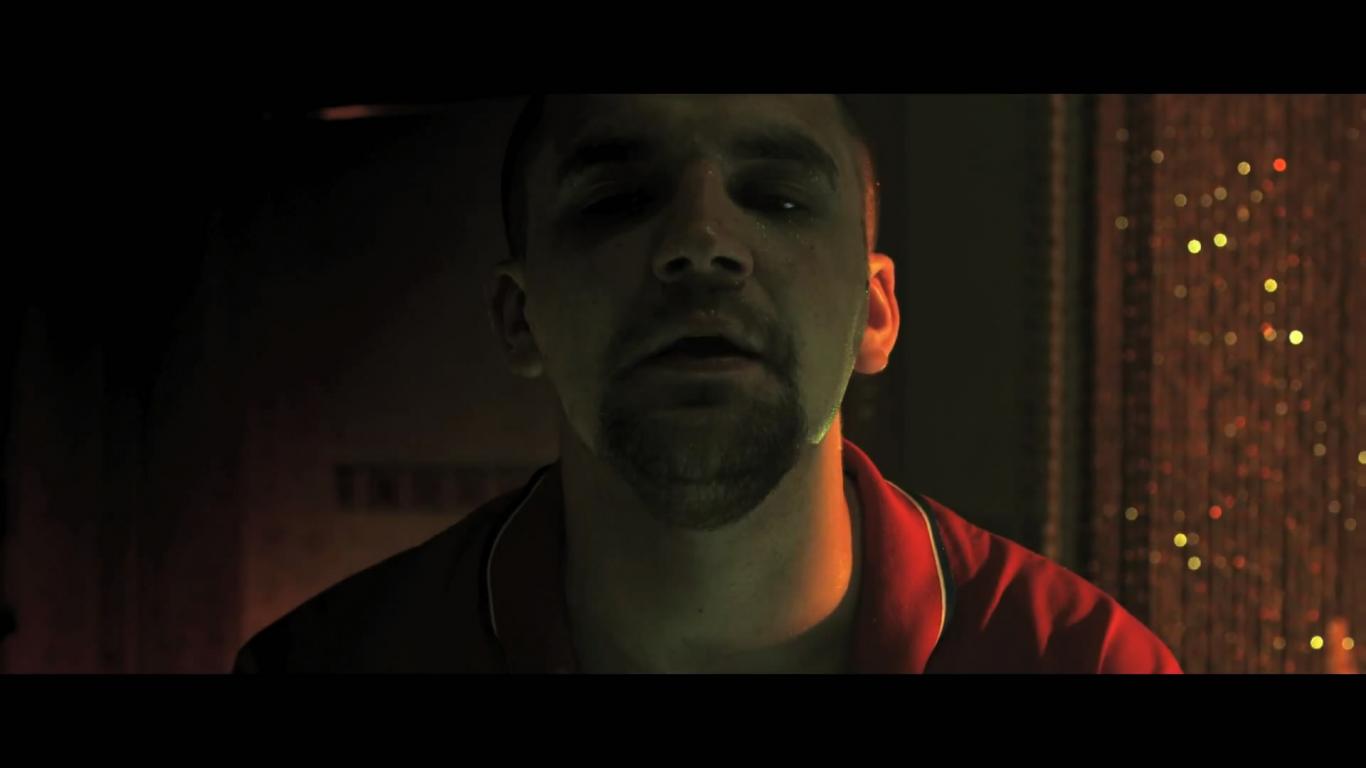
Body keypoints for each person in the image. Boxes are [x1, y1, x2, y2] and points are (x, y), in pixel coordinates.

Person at [233, 94, 1181, 673]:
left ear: (874, 311)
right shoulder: (330, 665)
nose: (700, 241)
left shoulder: (1081, 664)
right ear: (520, 318)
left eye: (779, 196)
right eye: (618, 199)